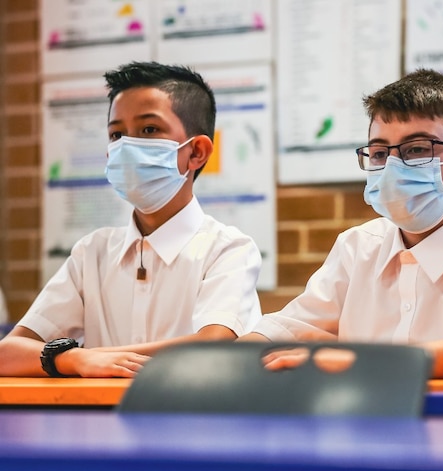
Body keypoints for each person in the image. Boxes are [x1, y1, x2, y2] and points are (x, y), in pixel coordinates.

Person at [242, 69, 443, 378]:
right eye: (380, 154)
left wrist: (362, 363)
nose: (394, 168)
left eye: (416, 150)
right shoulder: (357, 247)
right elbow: (285, 330)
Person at [0, 62, 262, 378]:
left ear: (196, 152)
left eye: (149, 130)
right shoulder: (92, 253)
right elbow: (8, 354)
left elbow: (210, 347)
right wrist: (74, 360)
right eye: (116, 134)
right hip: (97, 423)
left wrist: (84, 355)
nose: (126, 146)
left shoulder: (228, 249)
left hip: (195, 423)